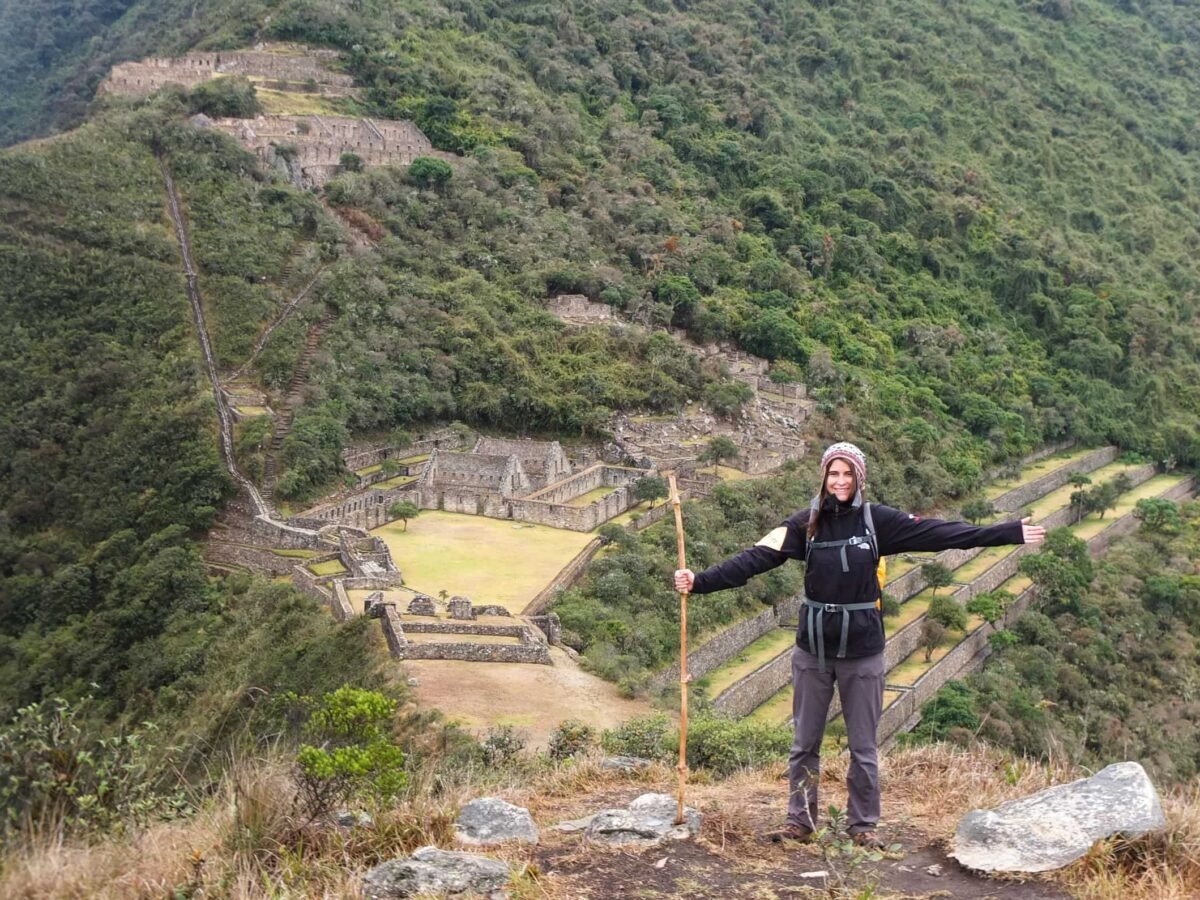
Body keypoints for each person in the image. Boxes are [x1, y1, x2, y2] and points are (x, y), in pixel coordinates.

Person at [673, 441, 1045, 848]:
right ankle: (800, 821)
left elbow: (942, 534)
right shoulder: (804, 524)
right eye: (834, 473)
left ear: (860, 477)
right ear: (823, 477)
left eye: (847, 473)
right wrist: (700, 581)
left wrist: (1007, 532)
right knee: (803, 744)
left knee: (863, 746)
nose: (840, 481)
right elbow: (755, 558)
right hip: (813, 649)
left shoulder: (877, 521)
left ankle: (862, 826)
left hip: (863, 650)